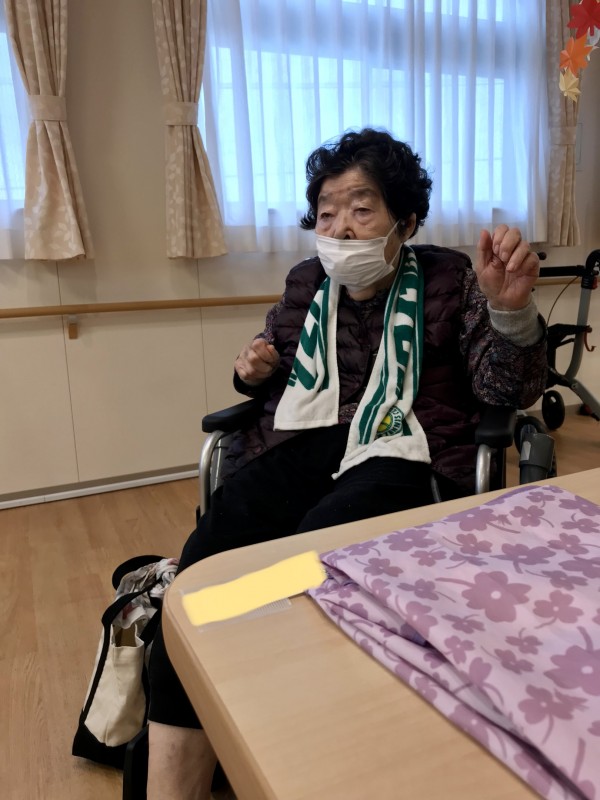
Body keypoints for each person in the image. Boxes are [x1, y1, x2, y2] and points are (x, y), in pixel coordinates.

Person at [146, 128, 547, 798]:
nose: (339, 228)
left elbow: (505, 391)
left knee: (313, 557)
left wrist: (510, 314)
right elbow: (270, 363)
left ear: (406, 221)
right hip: (304, 443)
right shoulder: (307, 283)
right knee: (203, 571)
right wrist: (251, 371)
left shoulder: (450, 279)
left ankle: (292, 743)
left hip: (409, 448)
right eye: (327, 212)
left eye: (362, 209)